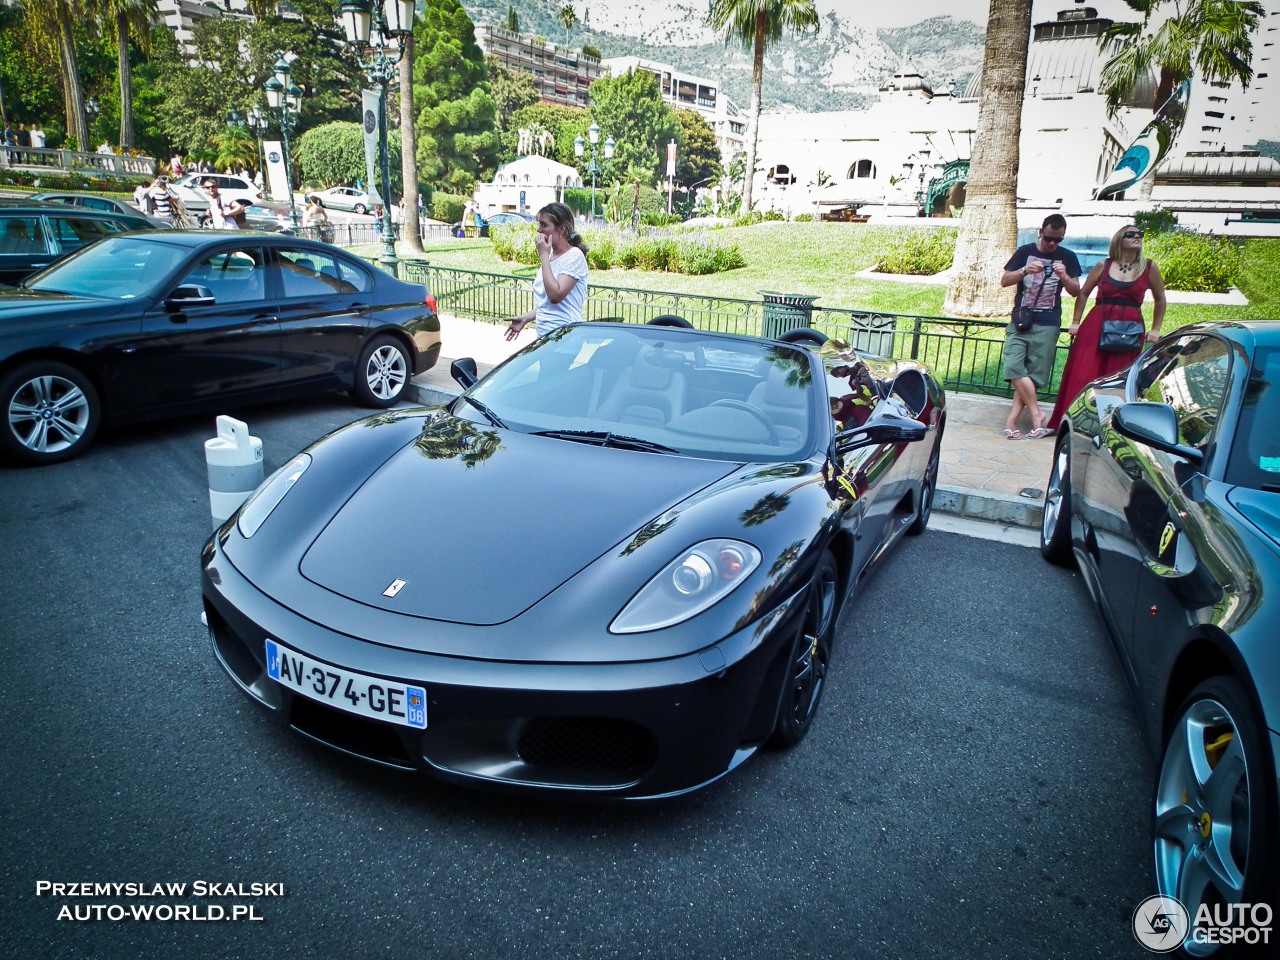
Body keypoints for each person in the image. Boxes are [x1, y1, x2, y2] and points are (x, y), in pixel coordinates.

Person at [1047, 224, 1166, 430]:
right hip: (1097, 324)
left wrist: (1155, 329)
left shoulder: (1148, 267)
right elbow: (1083, 293)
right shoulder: (1103, 265)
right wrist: (1076, 321)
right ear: (1119, 239)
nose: (1137, 237)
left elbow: (1160, 299)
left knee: (1119, 378)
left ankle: (1109, 428)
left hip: (1130, 328)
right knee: (1083, 372)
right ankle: (1072, 423)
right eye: (1131, 234)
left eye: (1140, 234)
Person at [999, 214, 1082, 440]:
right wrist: (1024, 271)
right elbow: (1005, 280)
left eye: (1058, 240)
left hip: (1048, 322)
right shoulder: (1025, 252)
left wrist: (1064, 275)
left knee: (1033, 375)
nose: (1053, 244)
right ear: (1040, 231)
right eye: (1048, 238)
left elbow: (1076, 291)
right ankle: (1037, 415)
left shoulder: (1068, 257)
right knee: (1014, 367)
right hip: (1021, 320)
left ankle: (1012, 421)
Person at [505, 202, 590, 341]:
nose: (539, 230)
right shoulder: (549, 256)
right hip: (545, 336)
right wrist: (526, 318)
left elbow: (555, 296)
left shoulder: (574, 256)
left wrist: (543, 256)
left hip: (565, 336)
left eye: (544, 225)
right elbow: (547, 305)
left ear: (562, 229)